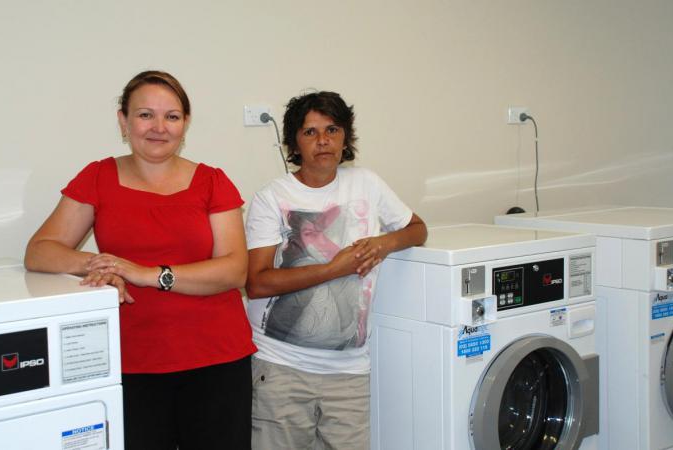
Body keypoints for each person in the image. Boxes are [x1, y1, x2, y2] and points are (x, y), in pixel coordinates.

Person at [25, 70, 255, 450]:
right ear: (123, 120)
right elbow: (39, 250)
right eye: (146, 114)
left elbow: (234, 269)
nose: (159, 127)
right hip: (129, 361)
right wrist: (102, 264)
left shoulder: (212, 181)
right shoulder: (98, 177)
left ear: (185, 124)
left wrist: (148, 275)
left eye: (172, 116)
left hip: (216, 360)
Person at [245, 91, 427, 449]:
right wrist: (334, 268)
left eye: (332, 129)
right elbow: (257, 283)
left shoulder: (367, 184)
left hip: (349, 372)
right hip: (281, 369)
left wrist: (383, 243)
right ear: (294, 143)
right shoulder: (272, 197)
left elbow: (417, 229)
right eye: (310, 132)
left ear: (346, 138)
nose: (323, 141)